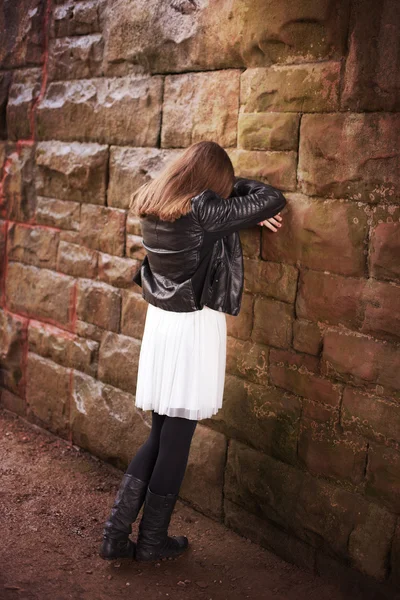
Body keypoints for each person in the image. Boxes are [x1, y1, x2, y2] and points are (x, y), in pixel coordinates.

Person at [99, 141, 286, 563]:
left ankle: (115, 535)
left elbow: (236, 211)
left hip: (162, 323)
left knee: (160, 432)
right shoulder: (206, 209)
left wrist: (231, 198)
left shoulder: (155, 199)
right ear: (212, 183)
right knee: (177, 438)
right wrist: (236, 193)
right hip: (193, 326)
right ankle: (150, 542)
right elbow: (272, 198)